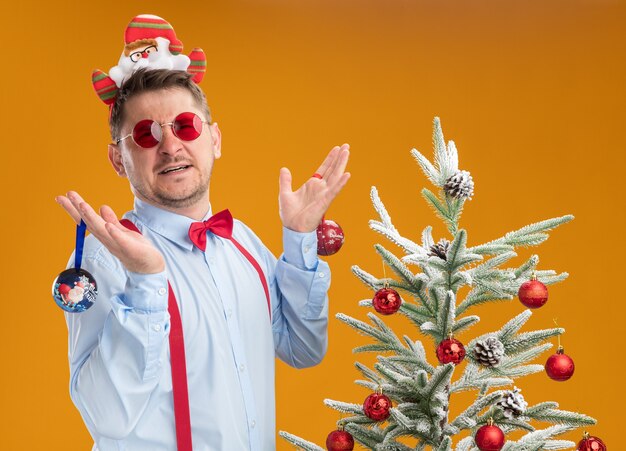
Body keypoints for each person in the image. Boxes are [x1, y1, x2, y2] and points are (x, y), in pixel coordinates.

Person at [57, 68, 350, 450]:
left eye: (186, 126)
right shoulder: (108, 256)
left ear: (214, 139)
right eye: (146, 134)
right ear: (118, 159)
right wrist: (145, 282)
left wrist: (298, 240)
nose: (170, 146)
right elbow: (106, 415)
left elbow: (303, 349)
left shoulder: (241, 242)